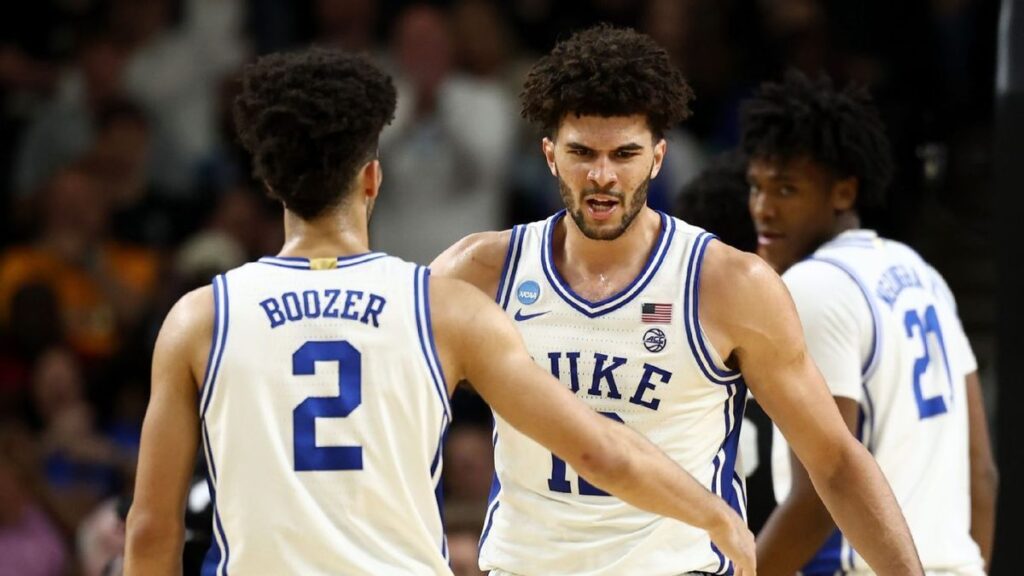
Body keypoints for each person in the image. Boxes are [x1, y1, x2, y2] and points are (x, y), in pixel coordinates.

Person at [122, 47, 756, 575]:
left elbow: (152, 528)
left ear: (270, 184)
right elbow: (602, 454)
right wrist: (715, 515)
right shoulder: (442, 308)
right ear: (373, 178)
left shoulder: (199, 320)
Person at [431, 25, 921, 575]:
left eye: (624, 154)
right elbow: (396, 427)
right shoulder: (476, 272)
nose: (601, 175)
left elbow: (834, 461)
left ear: (658, 157)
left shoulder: (730, 284)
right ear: (549, 154)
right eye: (581, 152)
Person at [744, 71, 998, 575]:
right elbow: (983, 473)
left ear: (843, 193)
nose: (763, 208)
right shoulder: (920, 272)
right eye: (756, 186)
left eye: (787, 189)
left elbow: (823, 491)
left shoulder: (814, 285)